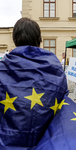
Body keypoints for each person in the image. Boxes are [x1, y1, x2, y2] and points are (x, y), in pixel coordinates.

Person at [0, 17, 68, 148]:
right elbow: (63, 102)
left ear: (14, 39)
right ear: (39, 40)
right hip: (46, 142)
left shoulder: (2, 68)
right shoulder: (55, 68)